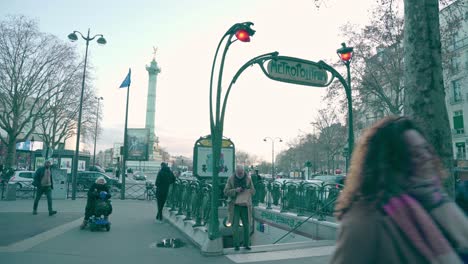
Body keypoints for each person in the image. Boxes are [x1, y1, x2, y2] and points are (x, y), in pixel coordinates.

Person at [330, 116, 468, 263]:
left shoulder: (438, 200)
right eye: (415, 154)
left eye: (425, 149)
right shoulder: (364, 221)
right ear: (389, 163)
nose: (426, 157)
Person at [224, 165, 256, 251]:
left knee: (247, 225)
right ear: (236, 172)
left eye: (241, 173)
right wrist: (235, 190)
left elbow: (253, 191)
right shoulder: (231, 179)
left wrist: (248, 191)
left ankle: (246, 244)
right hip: (235, 205)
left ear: (243, 172)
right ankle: (236, 245)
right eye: (238, 173)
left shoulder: (248, 179)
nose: (240, 174)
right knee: (235, 226)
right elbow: (226, 191)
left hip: (245, 205)